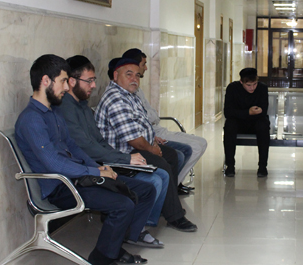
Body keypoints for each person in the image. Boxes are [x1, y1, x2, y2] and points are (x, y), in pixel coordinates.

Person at [15, 54, 154, 265]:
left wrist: (98, 167)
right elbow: (54, 163)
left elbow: (72, 146)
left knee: (143, 190)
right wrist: (95, 172)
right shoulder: (31, 119)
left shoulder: (53, 112)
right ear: (45, 81)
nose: (66, 87)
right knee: (123, 205)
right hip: (60, 187)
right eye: (63, 81)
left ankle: (114, 245)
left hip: (76, 177)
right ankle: (103, 258)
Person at [58, 55, 168, 247]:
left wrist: (120, 159)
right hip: (86, 172)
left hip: (100, 164)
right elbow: (86, 147)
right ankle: (133, 231)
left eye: (94, 80)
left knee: (159, 174)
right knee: (153, 181)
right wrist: (124, 160)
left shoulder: (82, 106)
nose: (94, 86)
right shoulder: (65, 109)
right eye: (89, 81)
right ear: (72, 81)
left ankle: (136, 228)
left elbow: (99, 142)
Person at [95, 57, 197, 232]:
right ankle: (174, 216)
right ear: (116, 75)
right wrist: (151, 149)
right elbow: (133, 139)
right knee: (162, 164)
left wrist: (153, 141)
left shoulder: (129, 94)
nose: (134, 79)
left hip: (136, 147)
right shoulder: (115, 99)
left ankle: (167, 205)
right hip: (124, 154)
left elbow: (141, 124)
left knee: (173, 155)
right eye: (129, 74)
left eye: (137, 75)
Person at [122, 48, 208, 193]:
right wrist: (152, 140)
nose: (146, 68)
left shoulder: (136, 89)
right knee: (191, 148)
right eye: (143, 64)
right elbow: (143, 120)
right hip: (149, 136)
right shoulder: (122, 96)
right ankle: (173, 188)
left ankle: (174, 185)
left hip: (155, 131)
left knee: (201, 142)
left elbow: (149, 115)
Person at [223, 67, 270, 178]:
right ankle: (230, 165)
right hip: (238, 122)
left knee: (263, 126)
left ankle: (262, 166)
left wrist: (258, 111)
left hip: (256, 121)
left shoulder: (262, 88)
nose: (252, 88)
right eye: (248, 85)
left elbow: (264, 109)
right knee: (229, 126)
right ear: (241, 82)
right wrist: (247, 112)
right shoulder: (232, 88)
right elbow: (228, 112)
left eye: (254, 84)